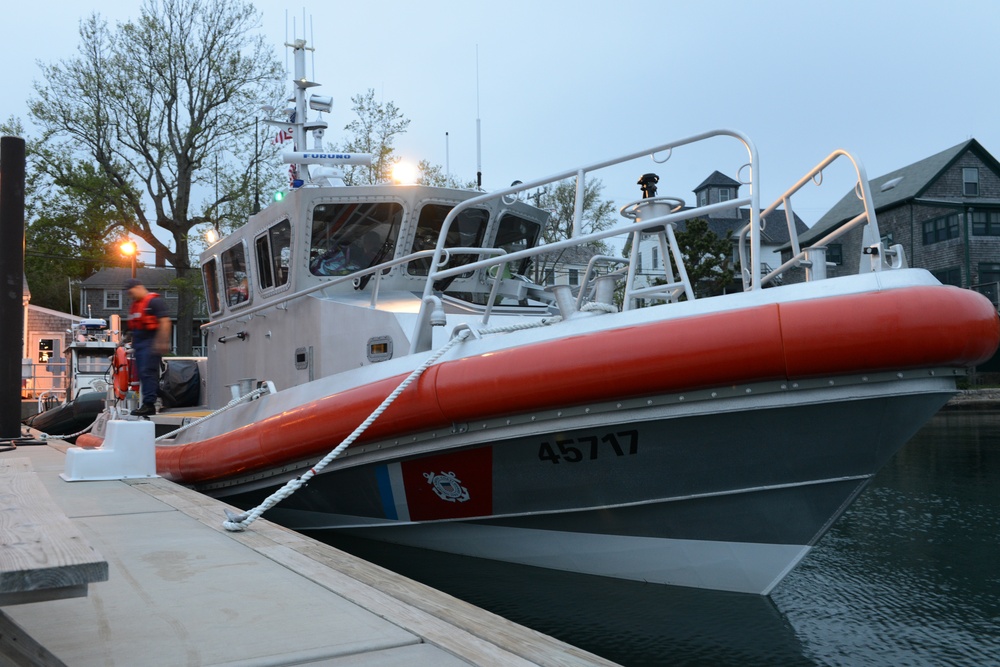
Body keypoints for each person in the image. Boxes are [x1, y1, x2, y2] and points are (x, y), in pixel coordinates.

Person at [124, 278, 171, 417]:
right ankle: (161, 398)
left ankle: (149, 404)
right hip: (139, 343)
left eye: (131, 292)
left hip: (150, 342)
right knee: (143, 374)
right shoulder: (136, 305)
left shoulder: (154, 302)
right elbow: (133, 327)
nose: (130, 295)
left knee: (147, 372)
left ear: (139, 287)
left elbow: (165, 322)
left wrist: (162, 341)